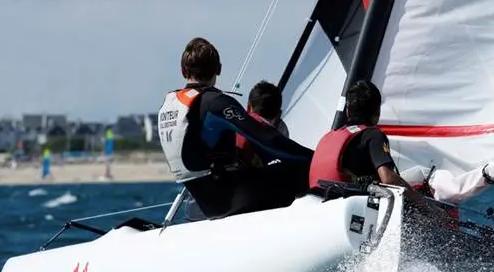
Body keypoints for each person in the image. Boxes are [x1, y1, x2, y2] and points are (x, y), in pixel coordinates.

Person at [158, 37, 314, 219]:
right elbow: (267, 139)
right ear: (219, 69)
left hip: (203, 203)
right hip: (232, 198)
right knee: (299, 171)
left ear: (183, 71)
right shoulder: (216, 103)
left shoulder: (169, 105)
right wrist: (314, 157)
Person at [308, 80, 449, 222]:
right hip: (351, 214)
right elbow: (389, 179)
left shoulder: (327, 137)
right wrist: (427, 207)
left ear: (348, 110)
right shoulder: (373, 135)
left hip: (319, 209)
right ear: (377, 112)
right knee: (434, 215)